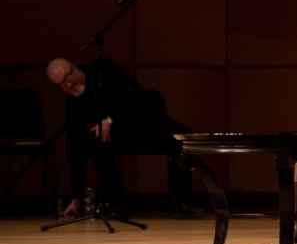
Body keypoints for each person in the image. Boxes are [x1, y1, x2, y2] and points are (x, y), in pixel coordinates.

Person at [46, 57, 204, 220]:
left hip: (142, 120)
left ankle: (180, 203)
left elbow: (134, 94)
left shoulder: (103, 69)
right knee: (94, 140)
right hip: (119, 134)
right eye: (61, 85)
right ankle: (116, 203)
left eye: (67, 79)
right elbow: (75, 147)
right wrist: (76, 196)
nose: (68, 85)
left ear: (74, 67)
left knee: (182, 134)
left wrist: (110, 119)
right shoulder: (73, 102)